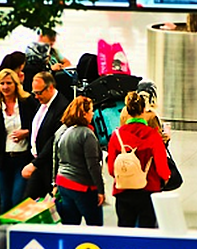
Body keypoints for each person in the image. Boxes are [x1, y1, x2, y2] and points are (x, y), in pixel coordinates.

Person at [108, 92, 170, 228]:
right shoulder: (153, 136)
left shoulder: (116, 136)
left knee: (125, 230)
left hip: (123, 190)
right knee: (146, 232)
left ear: (127, 111)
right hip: (148, 190)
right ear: (143, 111)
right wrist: (165, 177)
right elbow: (161, 167)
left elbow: (111, 169)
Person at [0, 69, 37, 211]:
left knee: (17, 200)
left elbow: (39, 127)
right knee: (4, 202)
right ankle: (6, 231)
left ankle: (16, 230)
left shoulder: (27, 103)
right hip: (3, 160)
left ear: (16, 84)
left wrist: (27, 132)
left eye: (9, 83)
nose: (5, 87)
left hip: (23, 158)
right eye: (2, 83)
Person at [53, 97, 104, 226]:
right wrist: (100, 190)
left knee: (70, 225)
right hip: (83, 186)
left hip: (63, 182)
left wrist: (54, 183)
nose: (93, 113)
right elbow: (93, 166)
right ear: (83, 113)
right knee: (95, 226)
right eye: (91, 110)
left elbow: (55, 159)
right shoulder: (87, 134)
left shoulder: (61, 131)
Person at [20, 72, 70, 200]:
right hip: (39, 162)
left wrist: (35, 164)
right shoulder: (43, 103)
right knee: (29, 202)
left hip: (49, 166)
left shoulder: (62, 107)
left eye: (39, 92)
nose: (36, 96)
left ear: (50, 88)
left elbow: (54, 140)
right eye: (34, 93)